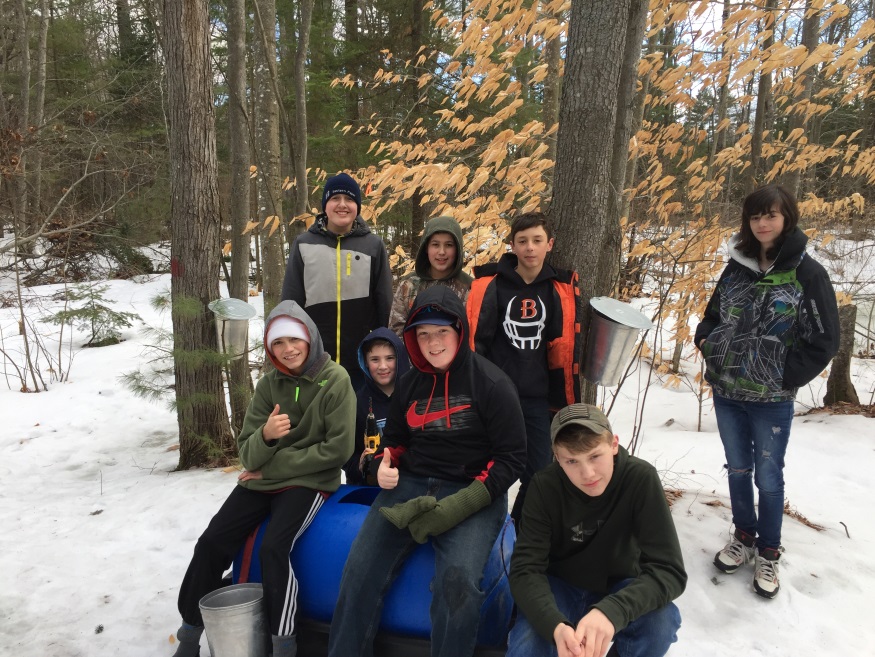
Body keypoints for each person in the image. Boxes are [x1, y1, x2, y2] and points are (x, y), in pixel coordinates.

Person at [327, 285, 526, 657]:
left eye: (441, 332)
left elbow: (512, 458)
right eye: (423, 334)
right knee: (358, 571)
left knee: (458, 585)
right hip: (411, 485)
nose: (433, 343)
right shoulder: (409, 383)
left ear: (460, 331)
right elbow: (396, 442)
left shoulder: (493, 384)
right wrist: (382, 464)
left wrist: (465, 501)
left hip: (474, 490)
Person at [171, 301, 356, 657]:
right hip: (261, 480)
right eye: (278, 343)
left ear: (310, 339)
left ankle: (283, 642)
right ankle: (190, 632)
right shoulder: (269, 385)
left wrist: (271, 465)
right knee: (211, 543)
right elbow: (248, 455)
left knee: (273, 549)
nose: (288, 350)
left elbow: (336, 451)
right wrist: (267, 436)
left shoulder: (336, 380)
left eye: (294, 340)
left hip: (311, 482)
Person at [695, 184, 840, 599]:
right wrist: (708, 344)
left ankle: (769, 551)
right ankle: (743, 535)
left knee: (769, 476)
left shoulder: (806, 272)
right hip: (727, 391)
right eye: (756, 216)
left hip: (772, 400)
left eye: (771, 215)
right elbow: (712, 315)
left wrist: (782, 376)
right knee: (737, 469)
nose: (762, 223)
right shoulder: (737, 265)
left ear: (786, 218)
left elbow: (825, 339)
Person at [507, 404, 686, 657]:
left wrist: (613, 610)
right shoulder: (544, 486)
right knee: (528, 641)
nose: (587, 473)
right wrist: (554, 626)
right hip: (560, 586)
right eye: (571, 461)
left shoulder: (640, 479)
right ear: (557, 458)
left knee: (661, 622)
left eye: (594, 456)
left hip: (619, 585)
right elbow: (526, 570)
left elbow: (669, 570)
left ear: (613, 445)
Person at [467, 211, 581, 526]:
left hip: (538, 398)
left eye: (537, 240)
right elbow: (478, 343)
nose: (530, 248)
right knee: (493, 466)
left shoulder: (559, 290)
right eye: (523, 241)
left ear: (550, 245)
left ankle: (516, 525)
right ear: (513, 246)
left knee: (540, 471)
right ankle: (485, 527)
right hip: (497, 396)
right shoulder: (492, 285)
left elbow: (564, 345)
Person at [281, 172, 393, 391]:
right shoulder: (304, 244)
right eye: (335, 199)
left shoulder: (373, 246)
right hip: (314, 360)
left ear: (357, 206)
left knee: (357, 421)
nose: (343, 205)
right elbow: (290, 303)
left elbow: (384, 303)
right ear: (325, 205)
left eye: (350, 199)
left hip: (361, 360)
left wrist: (383, 349)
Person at [342, 327, 410, 485]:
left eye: (389, 358)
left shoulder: (413, 394)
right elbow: (346, 456)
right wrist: (359, 467)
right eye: (375, 360)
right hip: (370, 486)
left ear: (400, 358)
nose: (383, 366)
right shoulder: (356, 402)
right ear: (365, 361)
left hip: (410, 481)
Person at [389, 215, 473, 335]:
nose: (442, 252)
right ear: (426, 248)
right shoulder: (408, 285)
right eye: (435, 245)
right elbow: (396, 331)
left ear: (457, 249)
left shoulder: (470, 288)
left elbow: (474, 336)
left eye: (449, 245)